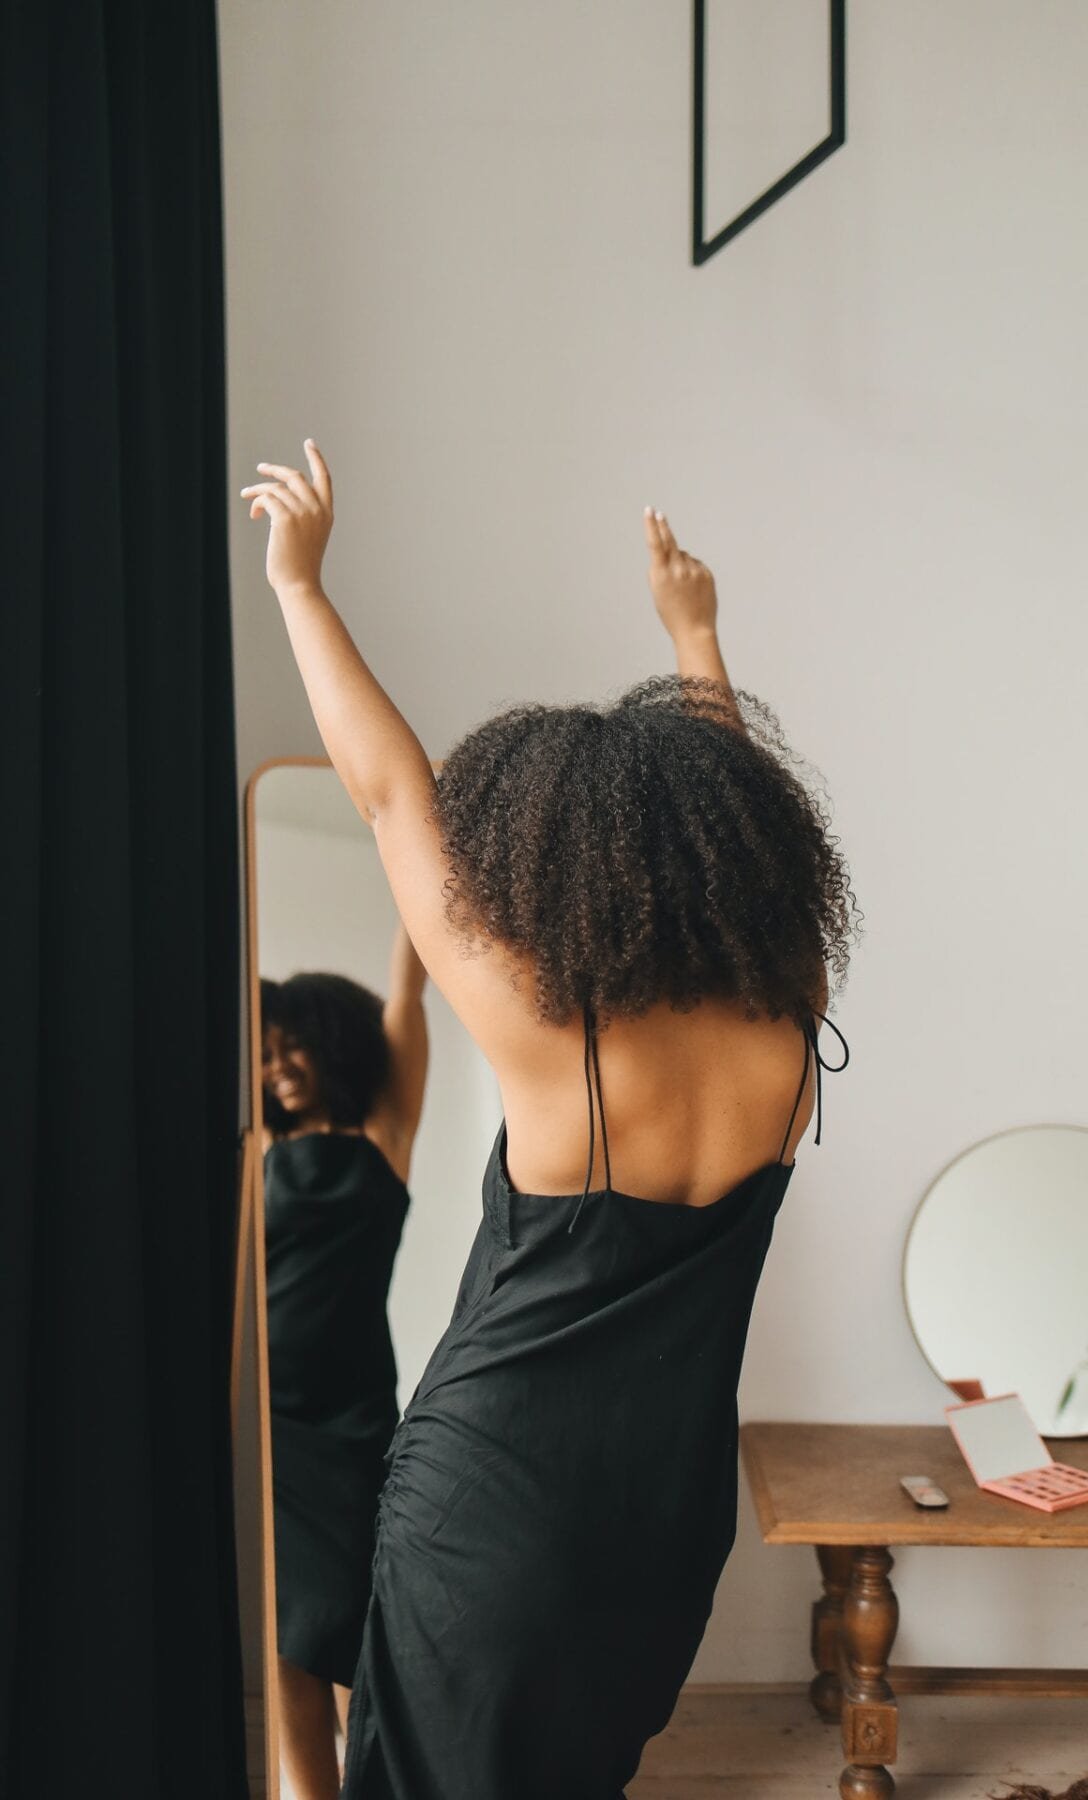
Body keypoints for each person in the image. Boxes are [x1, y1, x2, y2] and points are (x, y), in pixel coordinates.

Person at [242, 444, 855, 1799]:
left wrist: (300, 587)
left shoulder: (548, 1031)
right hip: (664, 1518)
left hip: (496, 1504)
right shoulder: (790, 1030)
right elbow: (759, 865)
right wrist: (699, 639)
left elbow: (394, 791)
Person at [261, 924, 428, 1800]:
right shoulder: (256, 1153)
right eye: (267, 1052)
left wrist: (422, 885)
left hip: (354, 1414)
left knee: (357, 1622)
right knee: (292, 1631)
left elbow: (407, 996)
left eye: (294, 1046)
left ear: (334, 1045)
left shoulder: (382, 1137)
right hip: (266, 1420)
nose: (279, 1065)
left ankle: (378, 1779)